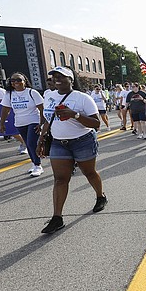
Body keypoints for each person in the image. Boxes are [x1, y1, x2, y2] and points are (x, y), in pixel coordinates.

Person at [37, 66, 107, 234]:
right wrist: (41, 137)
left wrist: (74, 115)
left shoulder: (83, 98)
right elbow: (48, 119)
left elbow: (96, 124)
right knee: (60, 180)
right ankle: (57, 218)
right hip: (59, 143)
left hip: (82, 141)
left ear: (71, 79)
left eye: (61, 76)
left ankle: (100, 196)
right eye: (54, 77)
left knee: (89, 173)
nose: (57, 79)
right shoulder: (49, 96)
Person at [0, 72, 46, 177]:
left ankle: (38, 165)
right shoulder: (9, 94)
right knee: (27, 144)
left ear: (25, 81)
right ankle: (34, 164)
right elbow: (5, 109)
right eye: (13, 81)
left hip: (33, 121)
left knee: (31, 143)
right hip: (20, 122)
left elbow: (42, 109)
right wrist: (2, 124)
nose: (16, 82)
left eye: (19, 80)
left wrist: (41, 123)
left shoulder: (32, 92)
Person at [0, 80, 27, 154]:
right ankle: (23, 143)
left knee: (12, 130)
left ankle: (24, 143)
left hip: (9, 113)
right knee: (11, 130)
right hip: (7, 113)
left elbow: (3, 101)